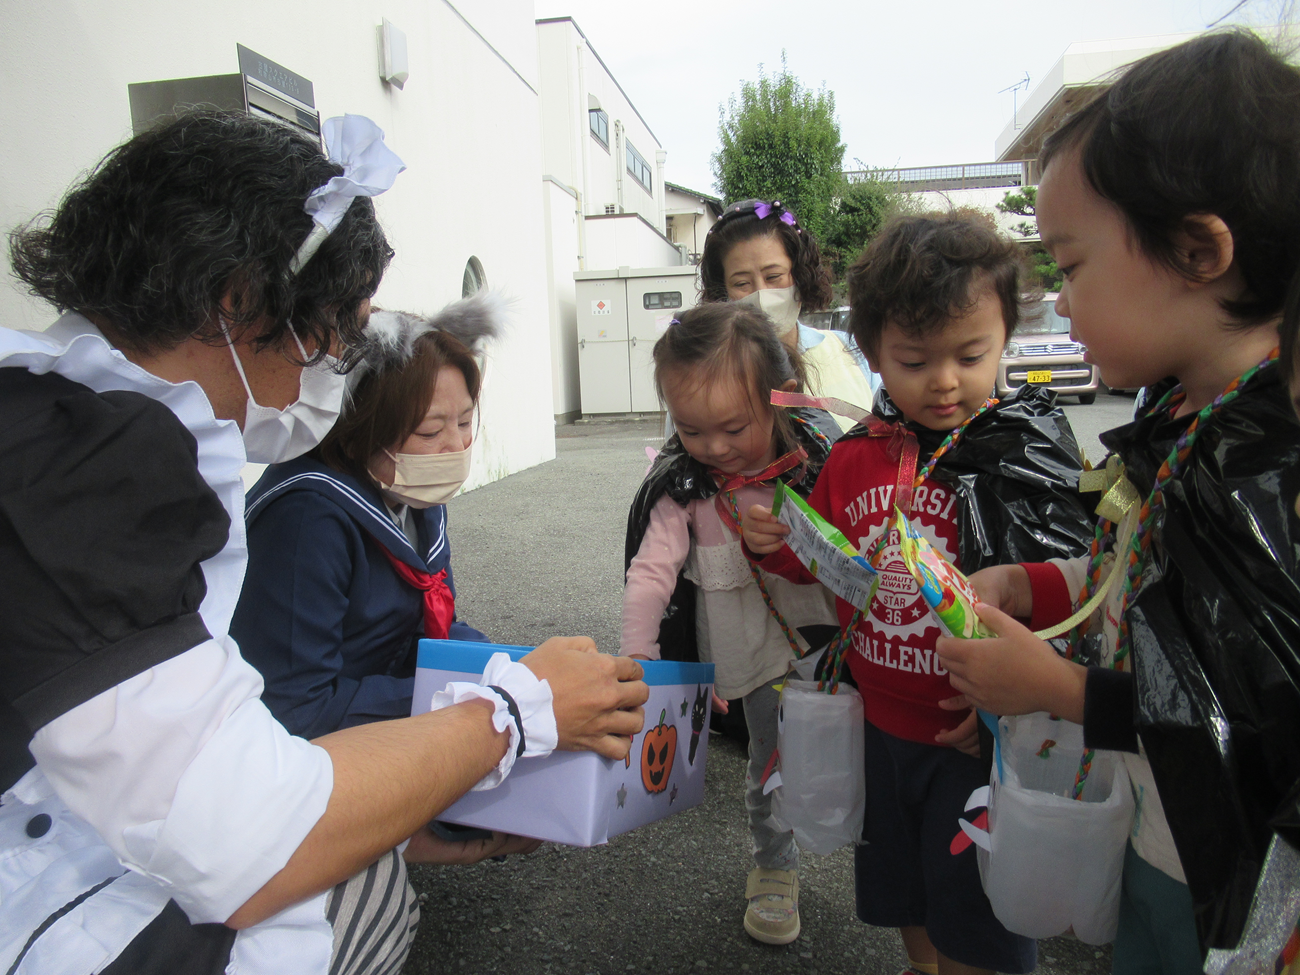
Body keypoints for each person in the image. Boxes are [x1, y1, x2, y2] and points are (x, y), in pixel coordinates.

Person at [0, 110, 647, 975]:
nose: (335, 363)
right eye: (336, 329)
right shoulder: (105, 455)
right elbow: (248, 836)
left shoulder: (57, 415)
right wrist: (517, 712)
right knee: (353, 891)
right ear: (238, 299)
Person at [933, 31, 1300, 975]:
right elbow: (1145, 579)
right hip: (1151, 831)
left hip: (1225, 881)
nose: (1061, 298)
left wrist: (1057, 691)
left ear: (1197, 248)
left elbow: (1254, 728)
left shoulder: (1268, 462)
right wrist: (1034, 581)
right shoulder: (1185, 414)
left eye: (1074, 265)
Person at [742, 213, 1093, 975]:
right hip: (878, 728)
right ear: (871, 354)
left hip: (975, 736)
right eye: (912, 358)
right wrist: (775, 541)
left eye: (971, 355)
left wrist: (1010, 707)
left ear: (1007, 336)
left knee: (982, 903)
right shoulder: (854, 457)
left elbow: (1067, 599)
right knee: (902, 889)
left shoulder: (1016, 453)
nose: (943, 380)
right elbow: (829, 568)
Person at [621, 302, 841, 946]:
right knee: (768, 757)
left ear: (782, 400)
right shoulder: (686, 488)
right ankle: (775, 865)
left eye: (733, 427)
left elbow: (859, 545)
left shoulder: (816, 464)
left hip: (830, 642)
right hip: (751, 653)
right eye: (691, 431)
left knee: (849, 748)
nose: (714, 448)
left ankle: (877, 847)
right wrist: (642, 659)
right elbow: (650, 574)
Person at [232, 300, 498, 739]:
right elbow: (295, 710)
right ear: (364, 425)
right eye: (431, 431)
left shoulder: (414, 493)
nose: (456, 445)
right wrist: (453, 698)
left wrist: (504, 666)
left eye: (465, 421)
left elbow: (426, 632)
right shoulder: (307, 521)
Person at [698, 198, 880, 431]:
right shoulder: (701, 372)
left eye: (773, 277)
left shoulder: (852, 351)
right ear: (721, 290)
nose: (761, 294)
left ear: (800, 274)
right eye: (742, 283)